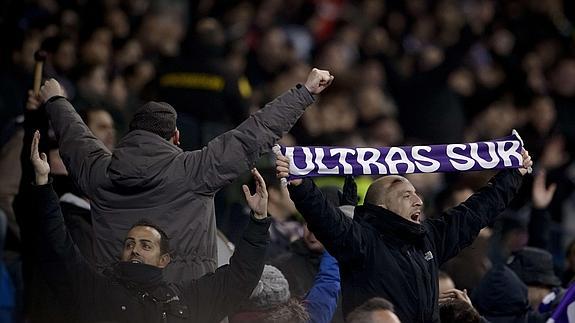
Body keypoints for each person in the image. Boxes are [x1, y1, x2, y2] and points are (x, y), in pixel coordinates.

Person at [36, 67, 333, 281]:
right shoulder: (194, 171)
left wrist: (56, 102)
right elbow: (251, 136)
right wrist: (304, 93)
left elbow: (76, 141)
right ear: (176, 136)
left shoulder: (99, 172)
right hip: (187, 305)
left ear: (132, 134)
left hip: (116, 304)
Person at [25, 130, 272, 323]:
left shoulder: (185, 299)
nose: (135, 250)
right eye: (129, 244)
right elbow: (58, 250)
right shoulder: (96, 291)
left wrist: (259, 220)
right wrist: (43, 184)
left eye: (146, 245)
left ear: (164, 260)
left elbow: (240, 277)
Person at [276, 148, 533, 322]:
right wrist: (300, 184)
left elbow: (475, 212)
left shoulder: (429, 237)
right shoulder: (362, 240)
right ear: (382, 206)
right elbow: (325, 218)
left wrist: (513, 175)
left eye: (417, 194)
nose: (418, 201)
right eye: (406, 194)